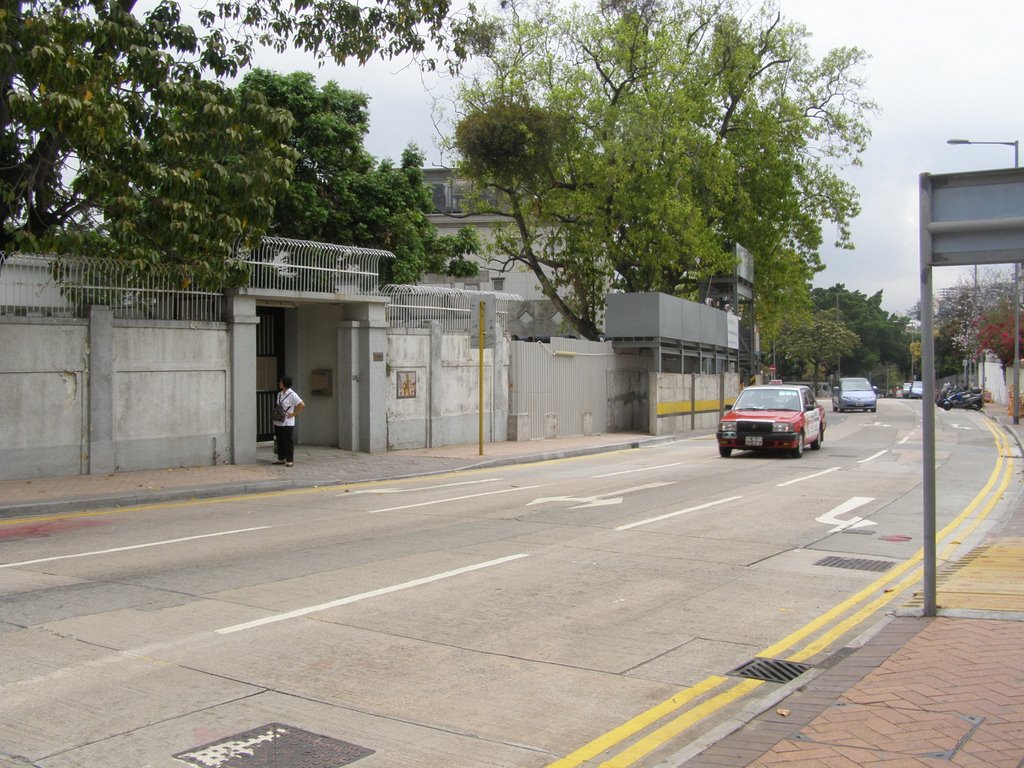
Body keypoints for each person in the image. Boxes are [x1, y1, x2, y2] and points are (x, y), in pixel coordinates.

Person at [273, 374, 305, 467]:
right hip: (279, 420)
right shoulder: (279, 394)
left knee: (288, 441)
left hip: (287, 422)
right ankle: (281, 458)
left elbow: (302, 405)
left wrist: (294, 414)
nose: (279, 383)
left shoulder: (292, 394)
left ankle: (290, 460)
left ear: (284, 383)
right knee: (280, 440)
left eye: (281, 382)